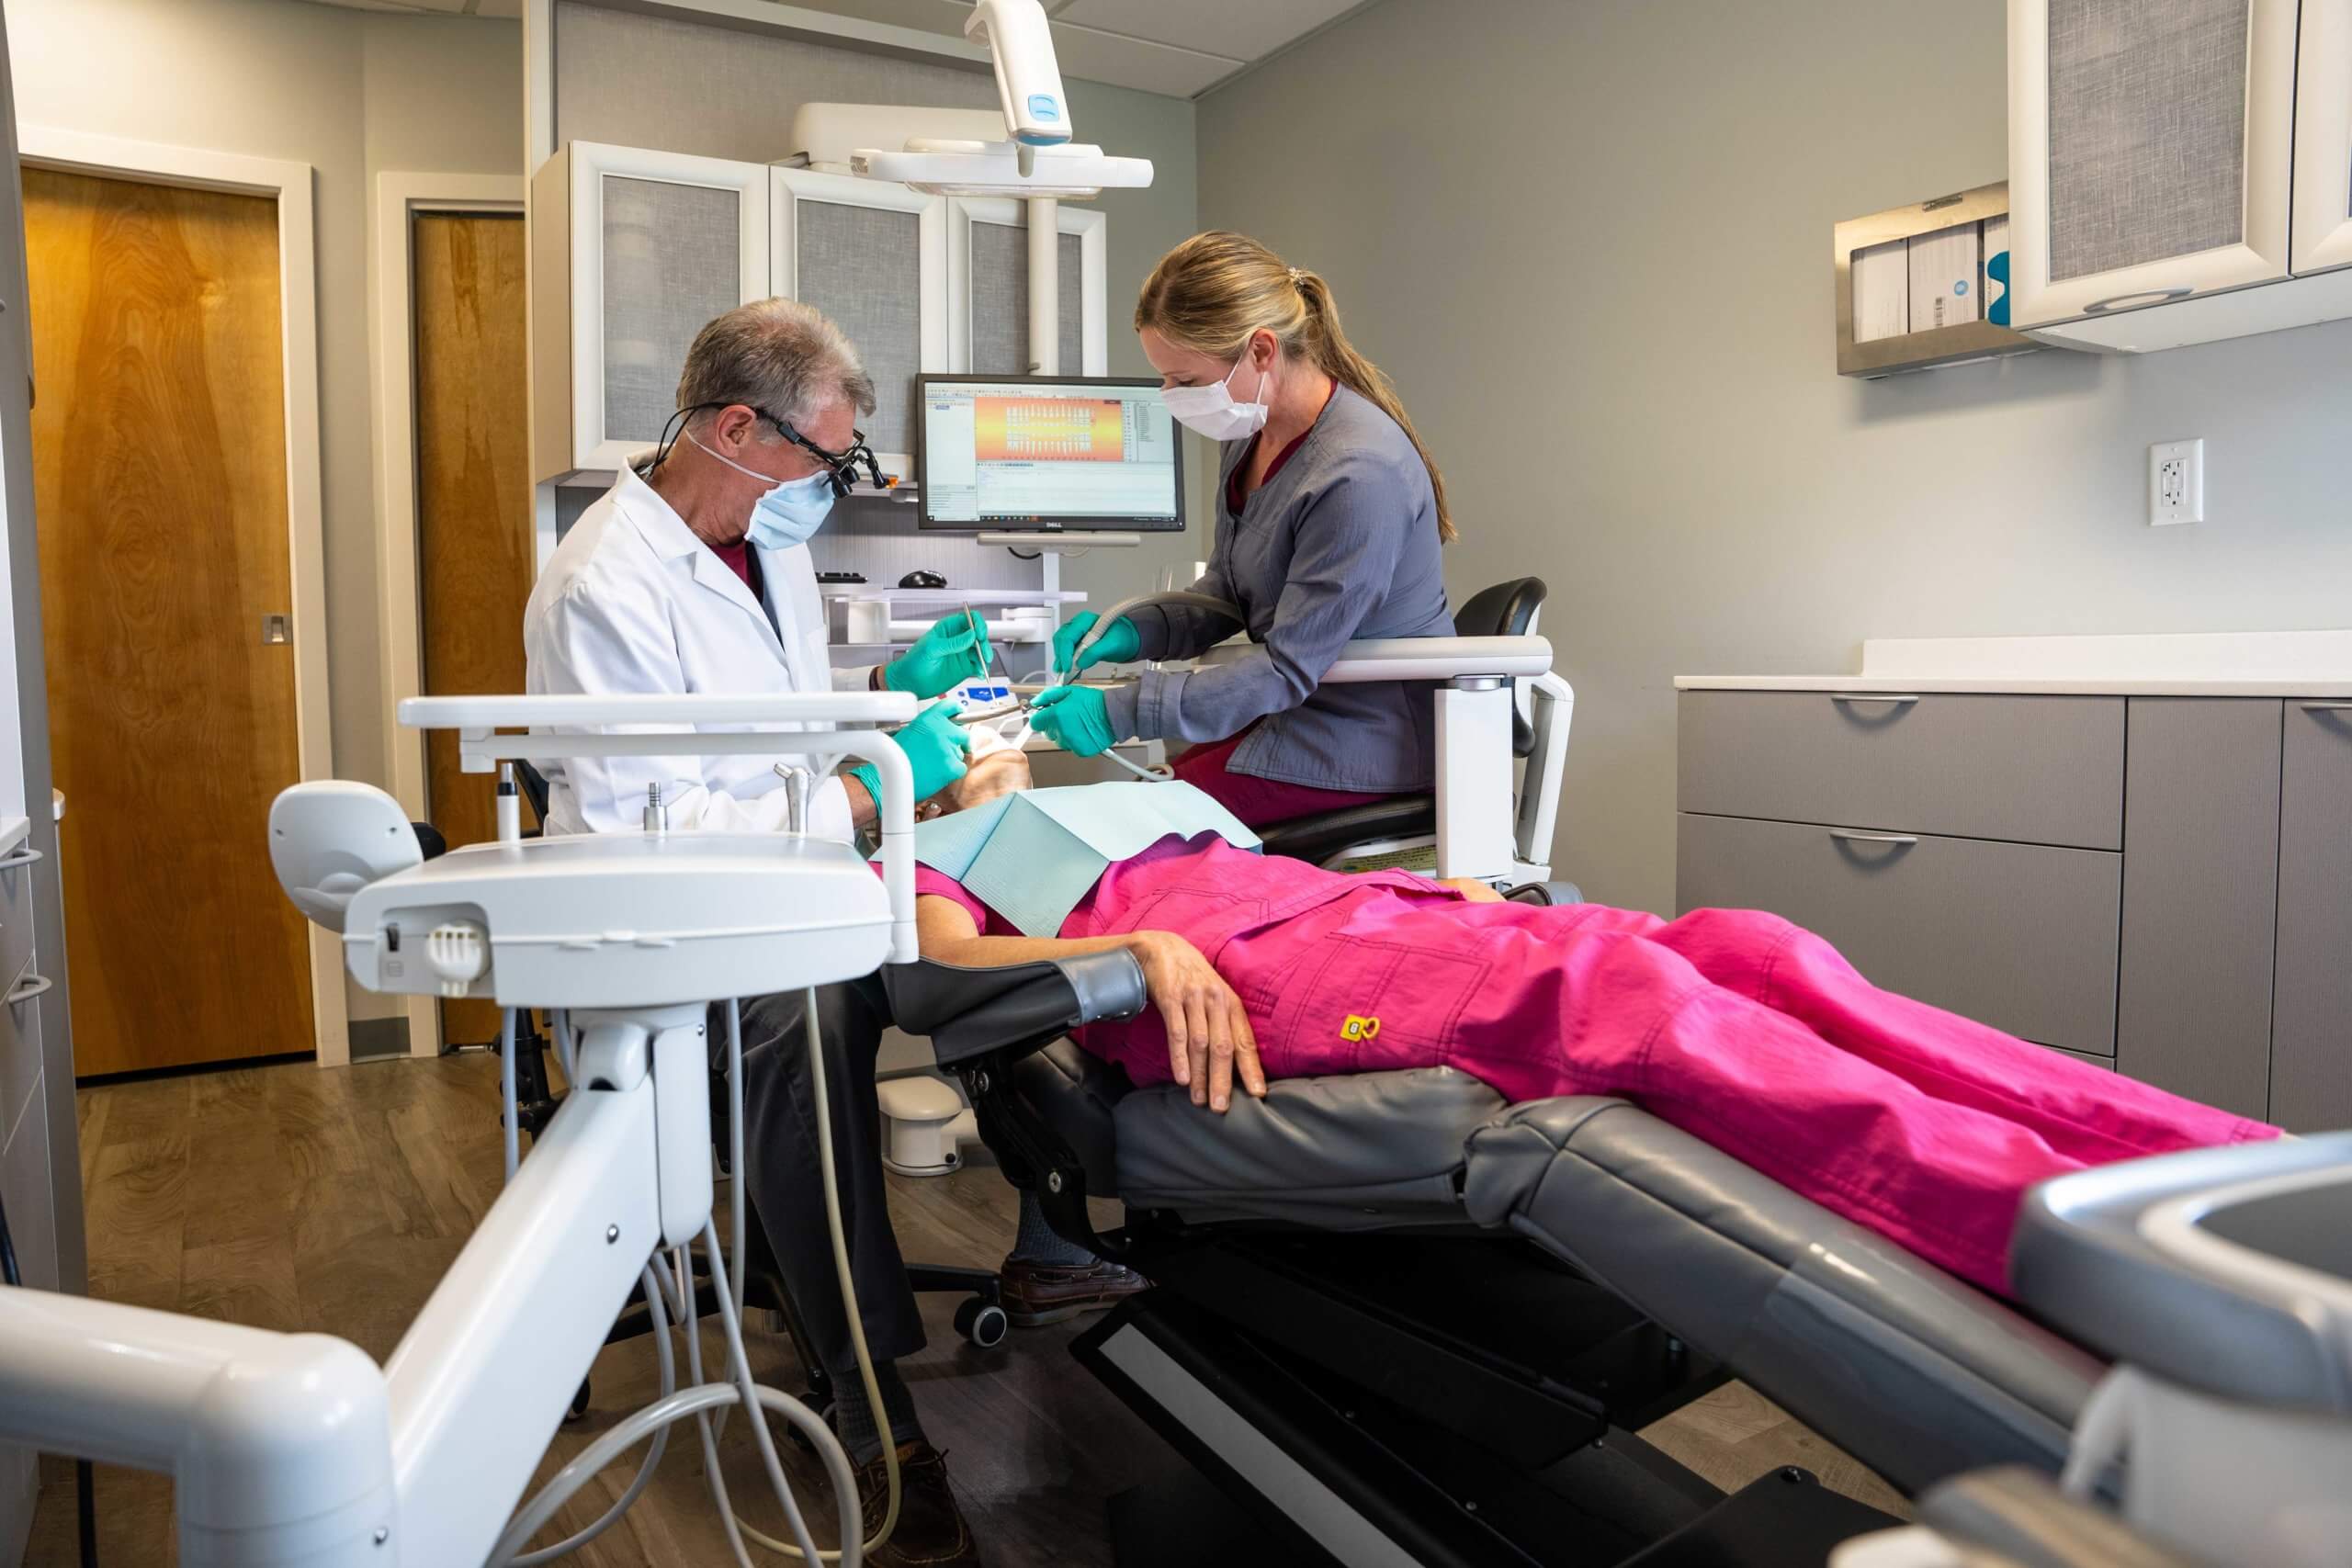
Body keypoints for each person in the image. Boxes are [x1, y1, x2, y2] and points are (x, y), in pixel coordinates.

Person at [523, 299, 1136, 1568]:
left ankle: (1066, 1237)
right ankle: (872, 1411)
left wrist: (890, 697)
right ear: (736, 425)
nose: (833, 488)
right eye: (826, 459)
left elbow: (782, 719)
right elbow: (660, 829)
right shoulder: (601, 582)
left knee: (1011, 937)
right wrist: (868, 784)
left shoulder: (765, 541)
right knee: (809, 1023)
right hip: (684, 934)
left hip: (812, 883)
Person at [897, 768, 2279, 1297]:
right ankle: (2110, 1252)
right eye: (961, 739)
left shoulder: (1129, 792)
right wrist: (1140, 945)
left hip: (1398, 914)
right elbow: (948, 976)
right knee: (1659, 1018)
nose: (992, 743)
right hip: (1265, 979)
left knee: (1758, 947)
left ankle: (2243, 1168)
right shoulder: (945, 842)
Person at [1027, 231, 1459, 827]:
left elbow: (1288, 665)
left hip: (1362, 744)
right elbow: (1229, 595)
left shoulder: (1360, 475)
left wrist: (1118, 711)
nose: (1170, 396)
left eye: (1186, 380)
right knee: (1134, 804)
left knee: (1132, 825)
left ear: (1261, 351)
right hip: (1292, 720)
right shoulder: (1250, 438)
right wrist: (1129, 630)